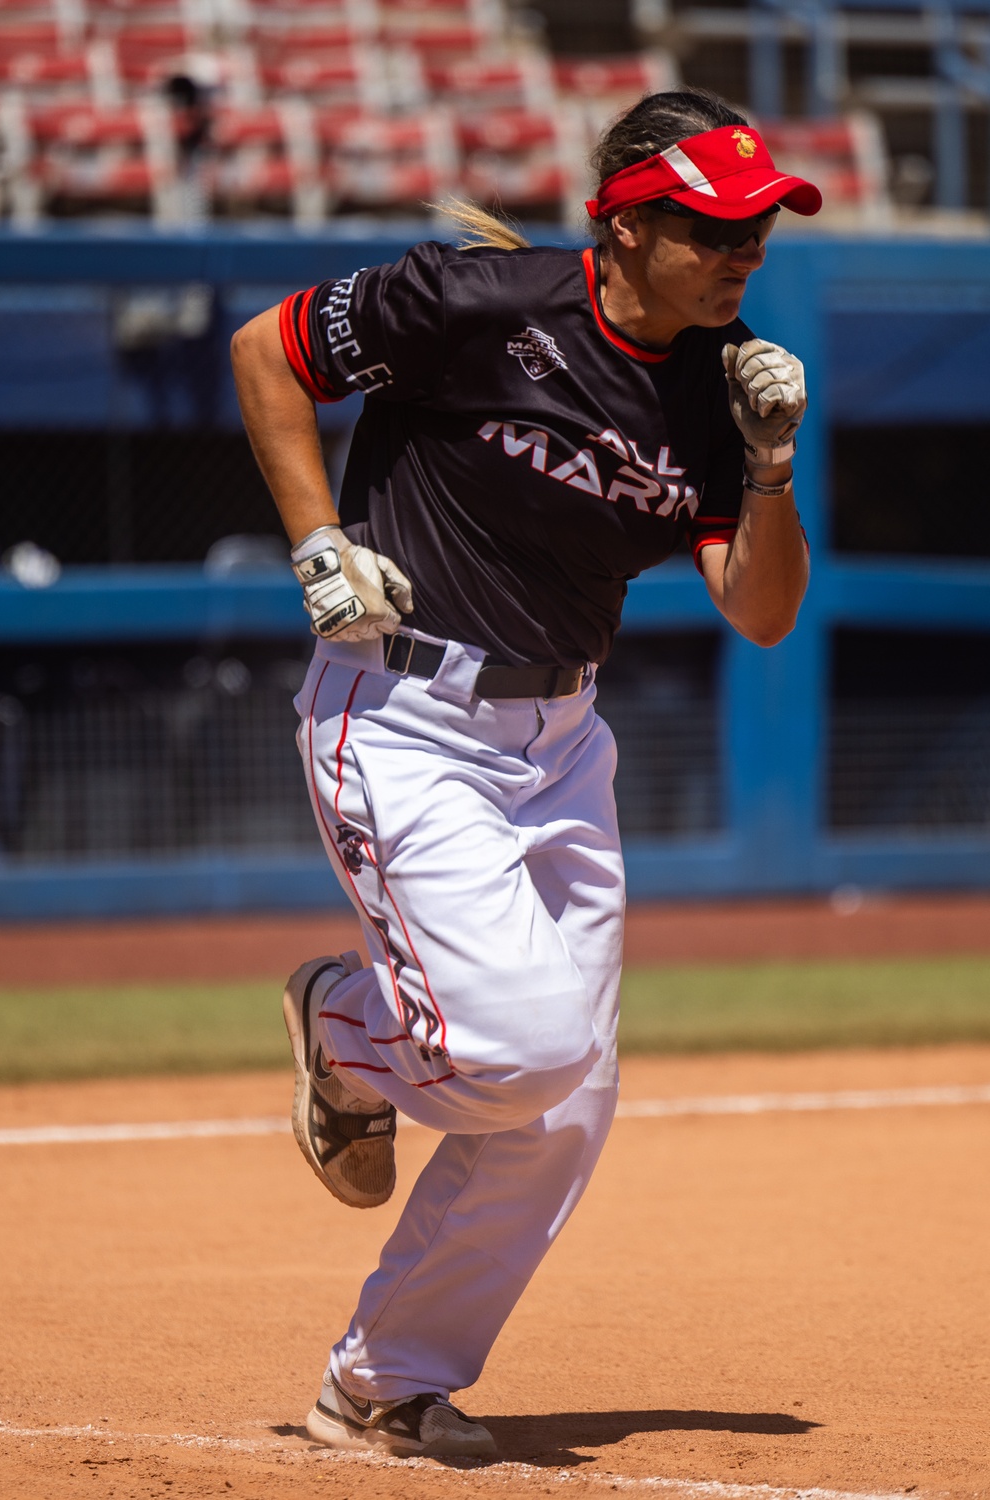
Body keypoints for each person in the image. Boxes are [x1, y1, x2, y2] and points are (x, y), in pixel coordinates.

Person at [230, 86, 818, 1462]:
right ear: (626, 224)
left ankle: (383, 1385)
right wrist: (318, 544)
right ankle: (346, 1033)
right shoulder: (480, 300)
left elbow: (763, 607)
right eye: (717, 226)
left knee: (571, 1097)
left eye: (760, 228)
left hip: (560, 741)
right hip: (403, 710)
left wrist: (776, 464)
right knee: (517, 1046)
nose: (745, 252)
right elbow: (268, 354)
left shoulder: (722, 392)